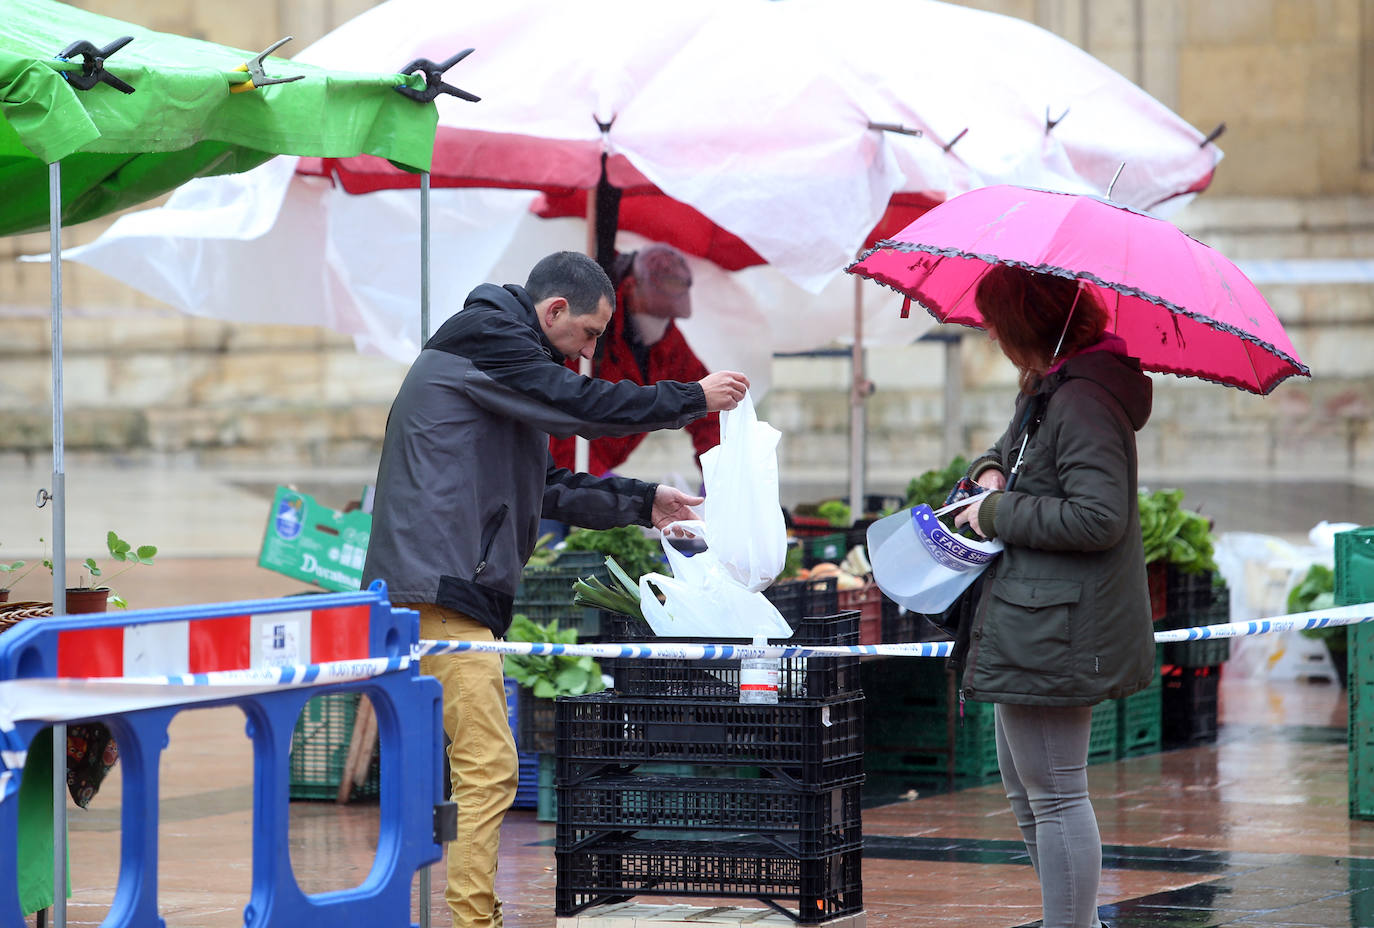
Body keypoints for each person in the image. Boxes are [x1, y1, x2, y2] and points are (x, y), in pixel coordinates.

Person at [361, 250, 749, 928]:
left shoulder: (506, 369)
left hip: (446, 588)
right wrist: (689, 396)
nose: (591, 353)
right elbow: (582, 409)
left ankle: (464, 911)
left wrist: (643, 501)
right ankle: (475, 921)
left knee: (469, 767)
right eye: (591, 335)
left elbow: (549, 485)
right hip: (437, 590)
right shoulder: (489, 341)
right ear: (554, 312)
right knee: (487, 768)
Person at [951, 264, 1156, 928]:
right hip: (1038, 618)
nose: (990, 337)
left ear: (1021, 328)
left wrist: (997, 513)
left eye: (995, 326)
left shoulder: (1083, 400)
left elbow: (1099, 518)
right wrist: (987, 469)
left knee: (1058, 795)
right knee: (1031, 792)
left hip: (1058, 626)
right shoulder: (1054, 389)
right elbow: (1022, 459)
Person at [548, 244, 718, 477]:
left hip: (599, 467)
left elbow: (706, 408)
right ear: (629, 288)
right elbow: (557, 417)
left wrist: (718, 471)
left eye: (668, 316)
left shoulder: (668, 339)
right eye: (653, 313)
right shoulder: (585, 328)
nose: (660, 323)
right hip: (556, 470)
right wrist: (592, 483)